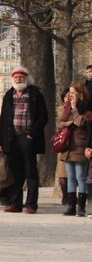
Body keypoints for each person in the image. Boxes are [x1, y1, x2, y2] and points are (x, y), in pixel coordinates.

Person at [0, 66, 48, 214]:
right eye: (16, 77)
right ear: (12, 79)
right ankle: (15, 203)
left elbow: (43, 116)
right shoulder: (8, 95)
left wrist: (32, 134)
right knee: (15, 172)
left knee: (30, 171)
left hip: (27, 137)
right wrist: (0, 141)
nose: (19, 79)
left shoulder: (35, 94)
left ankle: (31, 204)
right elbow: (4, 120)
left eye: (21, 77)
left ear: (27, 78)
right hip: (11, 139)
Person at [57, 81, 90, 216]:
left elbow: (81, 122)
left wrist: (75, 107)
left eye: (73, 93)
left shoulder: (84, 106)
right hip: (67, 146)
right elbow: (59, 124)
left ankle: (81, 207)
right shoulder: (66, 107)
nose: (70, 96)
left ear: (80, 93)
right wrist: (70, 123)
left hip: (80, 145)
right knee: (70, 177)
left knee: (80, 177)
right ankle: (71, 205)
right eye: (69, 93)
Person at [56, 89, 71, 205]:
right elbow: (60, 125)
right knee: (62, 172)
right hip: (63, 142)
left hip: (75, 142)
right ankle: (65, 196)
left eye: (70, 95)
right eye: (65, 96)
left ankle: (72, 196)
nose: (68, 98)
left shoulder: (78, 109)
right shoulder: (61, 109)